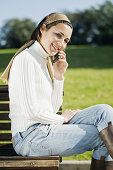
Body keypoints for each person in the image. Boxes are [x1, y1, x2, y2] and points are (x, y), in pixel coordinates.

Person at [0, 12, 113, 170]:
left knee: (104, 111)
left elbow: (51, 109)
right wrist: (62, 119)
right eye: (58, 35)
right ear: (43, 28)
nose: (61, 44)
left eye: (66, 40)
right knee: (103, 135)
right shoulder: (26, 58)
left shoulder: (44, 61)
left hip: (45, 128)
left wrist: (58, 76)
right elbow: (32, 112)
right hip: (29, 137)